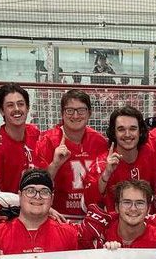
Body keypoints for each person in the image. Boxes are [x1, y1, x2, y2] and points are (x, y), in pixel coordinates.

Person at [35, 89, 109, 220]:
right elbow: (36, 184)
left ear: (89, 113)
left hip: (93, 217)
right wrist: (55, 165)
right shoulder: (46, 141)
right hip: (57, 218)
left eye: (81, 110)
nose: (75, 116)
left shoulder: (100, 142)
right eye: (70, 110)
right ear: (62, 114)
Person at [83, 106, 156, 212]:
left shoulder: (150, 156)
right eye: (121, 129)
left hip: (143, 224)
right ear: (114, 133)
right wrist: (106, 174)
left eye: (133, 129)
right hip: (113, 226)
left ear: (140, 131)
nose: (127, 134)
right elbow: (88, 205)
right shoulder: (102, 163)